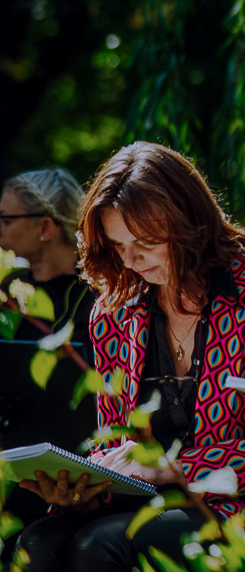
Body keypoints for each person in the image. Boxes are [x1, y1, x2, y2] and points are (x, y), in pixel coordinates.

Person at [15, 142, 245, 571]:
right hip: (146, 505)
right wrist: (85, 488)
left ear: (190, 223)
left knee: (99, 545)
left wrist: (173, 468)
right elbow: (115, 442)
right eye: (118, 245)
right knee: (37, 542)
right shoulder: (112, 315)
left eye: (146, 242)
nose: (132, 260)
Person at [0, 168, 97, 557]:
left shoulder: (100, 299)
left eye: (6, 220)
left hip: (73, 474)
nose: (0, 231)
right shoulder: (8, 295)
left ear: (45, 227)